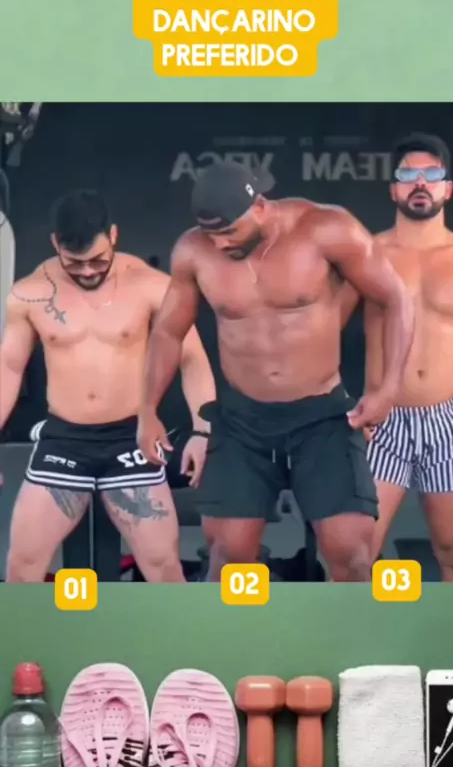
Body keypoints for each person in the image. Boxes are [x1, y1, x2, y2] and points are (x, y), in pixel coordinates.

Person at [137, 161, 415, 582]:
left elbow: (395, 298)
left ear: (260, 207)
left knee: (351, 553)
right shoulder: (193, 252)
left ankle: (350, 629)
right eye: (211, 234)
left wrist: (388, 389)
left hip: (321, 416)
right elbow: (168, 333)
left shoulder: (326, 229)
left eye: (229, 231)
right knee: (228, 556)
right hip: (242, 420)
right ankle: (237, 629)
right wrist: (148, 409)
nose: (220, 243)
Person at [0, 189, 215, 583]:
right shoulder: (29, 294)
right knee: (22, 566)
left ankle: (182, 629)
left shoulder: (151, 286)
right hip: (63, 441)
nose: (87, 272)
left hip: (130, 440)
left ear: (113, 235)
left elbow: (193, 360)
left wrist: (203, 431)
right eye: (74, 263)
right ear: (55, 244)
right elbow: (8, 368)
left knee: (164, 567)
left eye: (98, 260)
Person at [341, 133, 453, 582]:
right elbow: (320, 331)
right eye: (408, 175)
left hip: (452, 424)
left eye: (432, 174)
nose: (420, 183)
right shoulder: (367, 254)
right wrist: (341, 406)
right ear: (394, 189)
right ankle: (346, 633)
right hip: (381, 422)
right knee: (355, 558)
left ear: (448, 188)